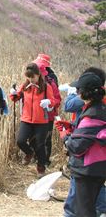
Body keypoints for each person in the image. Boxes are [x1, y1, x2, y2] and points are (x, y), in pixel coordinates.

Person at [55, 72, 106, 217]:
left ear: (86, 93)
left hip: (87, 170)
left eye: (79, 90)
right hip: (97, 167)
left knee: (83, 211)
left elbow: (76, 146)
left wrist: (65, 136)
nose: (77, 93)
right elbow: (90, 134)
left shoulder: (93, 114)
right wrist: (73, 126)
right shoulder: (100, 109)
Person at [10, 63, 57, 176]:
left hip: (41, 121)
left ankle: (41, 168)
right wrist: (13, 94)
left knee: (40, 145)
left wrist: (48, 102)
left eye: (33, 77)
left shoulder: (46, 87)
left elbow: (53, 101)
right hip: (26, 120)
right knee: (20, 141)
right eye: (28, 77)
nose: (31, 80)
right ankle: (29, 153)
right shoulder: (25, 86)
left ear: (38, 75)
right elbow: (16, 98)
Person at [31, 54, 62, 166]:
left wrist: (49, 103)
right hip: (34, 114)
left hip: (48, 114)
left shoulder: (51, 79)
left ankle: (45, 161)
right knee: (33, 136)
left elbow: (57, 99)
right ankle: (36, 157)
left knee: (46, 138)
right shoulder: (32, 78)